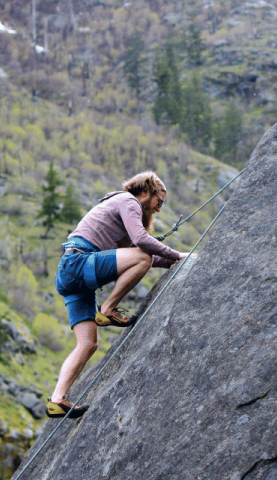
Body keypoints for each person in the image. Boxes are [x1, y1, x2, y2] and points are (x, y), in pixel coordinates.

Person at [46, 171, 188, 418]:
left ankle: (57, 399)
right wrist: (175, 254)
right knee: (141, 255)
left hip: (72, 275)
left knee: (88, 343)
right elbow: (141, 243)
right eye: (159, 201)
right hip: (79, 263)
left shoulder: (119, 210)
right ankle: (109, 309)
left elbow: (141, 257)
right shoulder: (128, 201)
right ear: (146, 192)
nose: (159, 208)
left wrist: (179, 259)